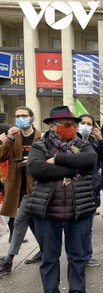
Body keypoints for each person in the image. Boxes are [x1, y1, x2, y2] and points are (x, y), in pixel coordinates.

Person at [26, 106, 97, 293]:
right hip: (47, 212)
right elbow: (37, 169)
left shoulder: (83, 144)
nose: (72, 128)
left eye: (73, 124)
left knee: (77, 256)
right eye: (67, 125)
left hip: (79, 210)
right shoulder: (40, 146)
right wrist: (73, 168)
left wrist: (57, 160)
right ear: (52, 127)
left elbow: (89, 162)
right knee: (49, 257)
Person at [0, 106, 42, 276]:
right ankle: (46, 250)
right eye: (17, 116)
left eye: (24, 115)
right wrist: (8, 139)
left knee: (19, 221)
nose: (20, 118)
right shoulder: (13, 137)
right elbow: (1, 157)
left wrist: (31, 162)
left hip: (36, 187)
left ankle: (8, 260)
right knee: (30, 221)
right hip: (17, 186)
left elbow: (47, 159)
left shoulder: (41, 137)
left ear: (32, 118)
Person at [78, 114, 103, 267]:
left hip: (91, 189)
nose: (85, 126)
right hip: (74, 189)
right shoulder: (71, 142)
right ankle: (77, 255)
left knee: (87, 227)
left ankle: (86, 255)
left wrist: (101, 140)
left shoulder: (95, 142)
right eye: (82, 123)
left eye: (89, 123)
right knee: (75, 227)